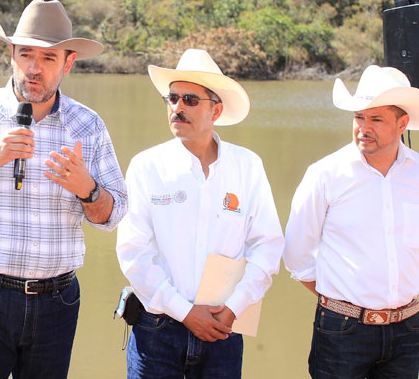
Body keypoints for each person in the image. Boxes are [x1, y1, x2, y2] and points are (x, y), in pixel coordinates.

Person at [0, 0, 128, 379]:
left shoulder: (88, 126)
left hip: (57, 302)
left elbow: (112, 216)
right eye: (26, 54)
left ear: (68, 63)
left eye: (49, 59)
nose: (35, 68)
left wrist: (88, 189)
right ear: (11, 54)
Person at [116, 49, 284, 378]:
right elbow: (133, 253)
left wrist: (235, 307)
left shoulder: (247, 166)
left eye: (190, 100)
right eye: (172, 98)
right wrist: (186, 312)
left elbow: (268, 246)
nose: (177, 108)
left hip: (224, 330)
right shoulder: (147, 166)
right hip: (157, 331)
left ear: (216, 110)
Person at [283, 65, 419, 378]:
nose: (363, 128)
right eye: (359, 117)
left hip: (409, 330)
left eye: (376, 119)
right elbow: (297, 256)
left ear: (403, 124)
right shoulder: (326, 175)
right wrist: (345, 303)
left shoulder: (417, 174)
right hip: (342, 331)